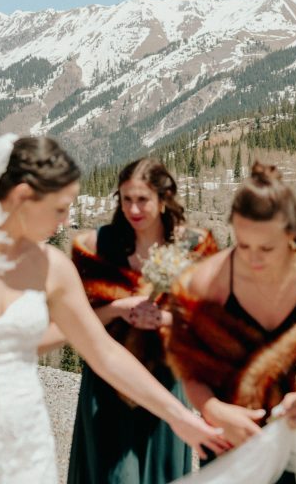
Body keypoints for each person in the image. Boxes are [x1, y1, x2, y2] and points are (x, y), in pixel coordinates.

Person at [0, 136, 222, 484]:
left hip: (25, 439)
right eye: (59, 208)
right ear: (23, 197)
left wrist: (180, 417)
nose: (66, 220)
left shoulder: (52, 266)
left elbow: (104, 354)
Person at [164, 162, 296, 484]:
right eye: (243, 245)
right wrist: (213, 409)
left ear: (292, 235)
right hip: (236, 442)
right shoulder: (206, 284)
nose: (253, 258)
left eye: (267, 248)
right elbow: (188, 369)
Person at [68, 157, 218, 484]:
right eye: (126, 200)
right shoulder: (97, 247)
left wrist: (163, 318)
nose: (133, 209)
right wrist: (120, 308)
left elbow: (211, 320)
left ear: (163, 201)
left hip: (166, 377)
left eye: (142, 200)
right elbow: (77, 319)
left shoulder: (195, 246)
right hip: (108, 382)